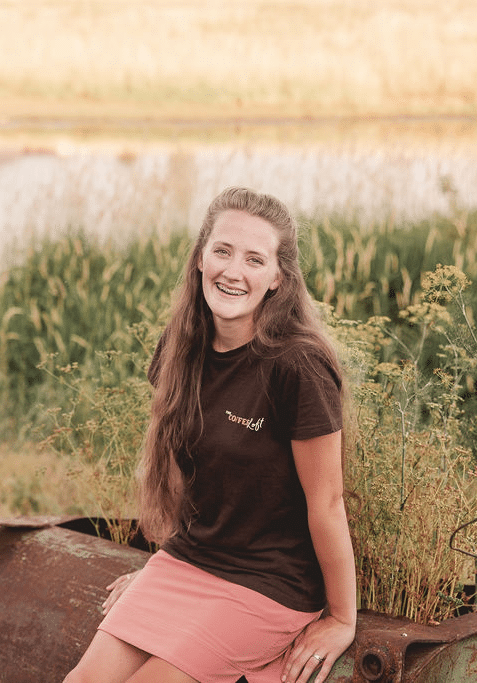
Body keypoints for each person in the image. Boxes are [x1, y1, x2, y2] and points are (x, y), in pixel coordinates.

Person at [63, 187, 356, 683]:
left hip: (267, 584)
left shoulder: (297, 366)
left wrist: (342, 618)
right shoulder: (180, 347)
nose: (233, 271)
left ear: (277, 278)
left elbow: (327, 502)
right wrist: (160, 570)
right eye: (222, 251)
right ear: (200, 257)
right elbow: (188, 475)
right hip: (189, 563)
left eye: (254, 259)